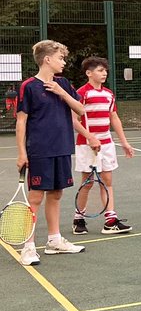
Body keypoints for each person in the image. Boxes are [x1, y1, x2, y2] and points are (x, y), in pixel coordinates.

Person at [14, 40, 89, 265]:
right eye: (60, 58)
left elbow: (80, 109)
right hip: (39, 150)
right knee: (36, 197)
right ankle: (28, 247)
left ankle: (54, 241)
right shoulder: (28, 86)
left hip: (62, 148)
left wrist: (61, 93)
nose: (64, 62)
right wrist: (21, 153)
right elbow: (21, 122)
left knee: (56, 194)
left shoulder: (63, 83)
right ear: (47, 59)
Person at [71, 57, 135, 236]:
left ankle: (110, 220)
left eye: (105, 70)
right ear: (88, 73)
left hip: (106, 144)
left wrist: (124, 142)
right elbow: (73, 120)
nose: (104, 73)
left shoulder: (109, 94)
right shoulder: (81, 93)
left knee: (107, 181)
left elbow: (114, 118)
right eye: (100, 70)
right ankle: (78, 218)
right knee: (88, 182)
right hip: (87, 145)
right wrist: (90, 137)